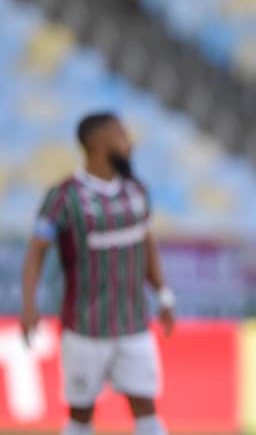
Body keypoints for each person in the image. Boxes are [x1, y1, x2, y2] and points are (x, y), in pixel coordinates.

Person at [20, 112, 175, 435]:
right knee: (81, 413)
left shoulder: (136, 191)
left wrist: (163, 294)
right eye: (122, 135)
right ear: (99, 143)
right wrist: (29, 304)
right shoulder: (64, 196)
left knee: (146, 406)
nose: (129, 143)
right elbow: (36, 251)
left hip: (133, 325)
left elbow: (147, 246)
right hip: (84, 328)